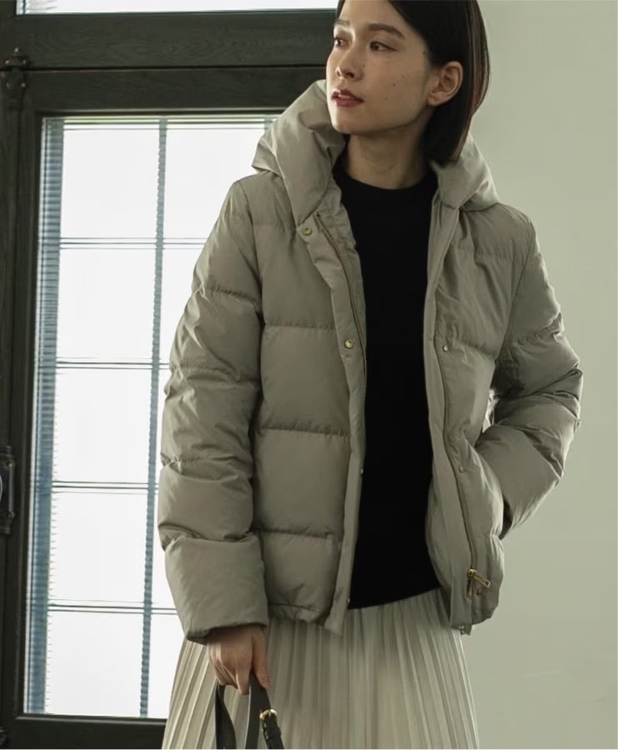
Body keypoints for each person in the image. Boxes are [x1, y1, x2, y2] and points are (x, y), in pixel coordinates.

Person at [157, 0, 583, 747]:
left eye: (380, 45)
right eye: (340, 39)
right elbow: (201, 412)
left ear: (443, 81)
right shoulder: (258, 213)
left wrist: (478, 498)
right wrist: (222, 605)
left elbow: (549, 391)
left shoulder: (499, 242)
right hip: (265, 628)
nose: (344, 64)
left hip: (412, 635)